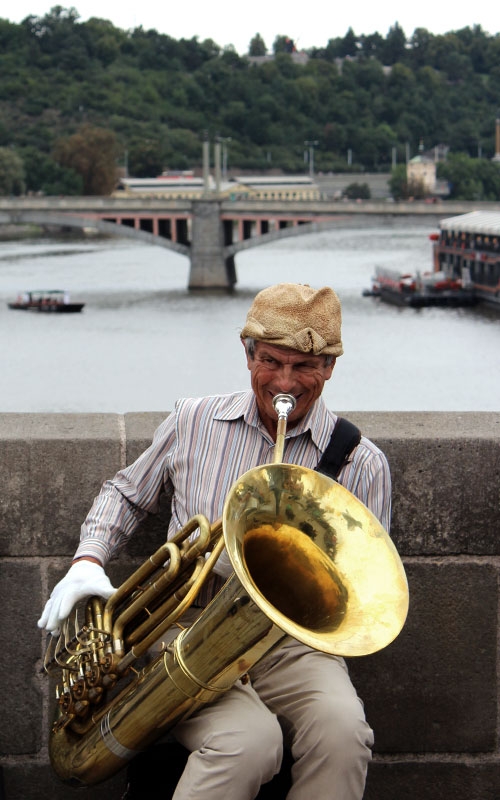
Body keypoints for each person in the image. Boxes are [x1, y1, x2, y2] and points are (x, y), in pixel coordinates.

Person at [38, 282, 392, 800]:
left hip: (289, 646)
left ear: (330, 367)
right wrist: (86, 561)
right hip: (181, 628)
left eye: (304, 367)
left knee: (345, 734)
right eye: (271, 362)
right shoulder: (194, 420)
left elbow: (360, 594)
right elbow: (127, 493)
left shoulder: (362, 463)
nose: (285, 382)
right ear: (247, 354)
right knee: (248, 743)